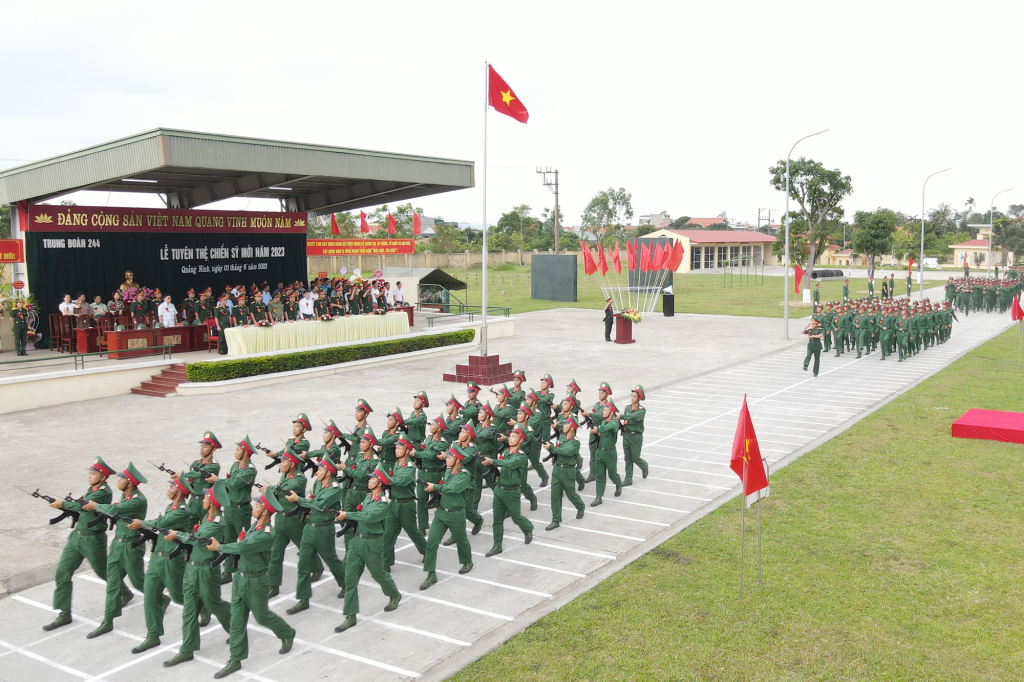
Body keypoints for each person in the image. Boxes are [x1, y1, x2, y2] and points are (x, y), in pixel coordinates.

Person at [208, 489, 295, 679]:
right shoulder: (254, 526)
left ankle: (286, 632)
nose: (253, 507)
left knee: (262, 617)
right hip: (241, 578)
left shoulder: (266, 534)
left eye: (256, 506)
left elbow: (243, 547)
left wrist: (220, 547)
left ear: (265, 511)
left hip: (256, 581)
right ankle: (235, 658)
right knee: (237, 620)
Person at [162, 479, 233, 668]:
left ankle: (235, 629)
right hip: (192, 568)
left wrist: (177, 534)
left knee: (213, 603)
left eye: (205, 497)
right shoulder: (207, 518)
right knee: (189, 609)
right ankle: (187, 649)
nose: (202, 499)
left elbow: (198, 539)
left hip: (206, 570)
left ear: (212, 502)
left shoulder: (216, 523)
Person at [42, 457, 115, 632]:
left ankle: (125, 592)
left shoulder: (103, 492)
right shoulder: (92, 489)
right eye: (89, 473)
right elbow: (78, 505)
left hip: (93, 539)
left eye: (93, 474)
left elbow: (82, 507)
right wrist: (63, 506)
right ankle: (64, 612)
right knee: (62, 573)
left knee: (105, 573)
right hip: (77, 537)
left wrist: (63, 503)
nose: (89, 476)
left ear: (103, 477)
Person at [81, 462, 149, 639]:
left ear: (130, 482)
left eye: (121, 479)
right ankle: (107, 621)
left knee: (138, 581)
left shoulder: (137, 500)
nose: (118, 482)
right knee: (112, 584)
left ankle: (161, 599)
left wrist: (95, 506)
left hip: (131, 545)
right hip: (118, 545)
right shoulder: (125, 497)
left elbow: (114, 509)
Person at [127, 477, 193, 653]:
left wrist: (142, 523)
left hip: (173, 560)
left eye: (171, 487)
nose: (168, 489)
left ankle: (206, 607)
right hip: (158, 558)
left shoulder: (182, 511)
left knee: (181, 597)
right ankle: (153, 635)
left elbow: (161, 524)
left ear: (179, 492)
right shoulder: (170, 507)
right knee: (150, 595)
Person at [334, 466, 402, 633]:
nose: (369, 480)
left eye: (372, 479)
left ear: (380, 484)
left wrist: (347, 515)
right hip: (357, 541)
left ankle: (394, 594)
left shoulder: (383, 503)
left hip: (373, 543)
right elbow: (360, 516)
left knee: (378, 574)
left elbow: (369, 517)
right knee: (350, 579)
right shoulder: (368, 498)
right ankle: (350, 615)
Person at [284, 457, 347, 614]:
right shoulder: (318, 483)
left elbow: (318, 504)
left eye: (320, 469)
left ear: (328, 473)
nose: (317, 471)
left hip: (324, 529)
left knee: (331, 560)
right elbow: (313, 500)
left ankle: (347, 584)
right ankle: (303, 599)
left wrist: (297, 499)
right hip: (309, 528)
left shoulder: (334, 488)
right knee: (303, 565)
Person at [262, 447, 317, 599]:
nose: (279, 464)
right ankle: (273, 585)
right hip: (281, 519)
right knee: (276, 554)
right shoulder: (285, 476)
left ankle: (317, 567)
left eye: (283, 462)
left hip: (294, 520)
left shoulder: (299, 478)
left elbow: (288, 489)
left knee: (304, 548)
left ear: (292, 464)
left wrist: (270, 489)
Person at [420, 446, 474, 590]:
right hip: (442, 513)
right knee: (431, 542)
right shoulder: (448, 471)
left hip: (456, 514)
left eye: (449, 458)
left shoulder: (464, 475)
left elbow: (452, 489)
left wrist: (435, 487)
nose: (446, 459)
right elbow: (444, 488)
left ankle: (467, 561)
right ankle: (431, 573)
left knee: (461, 540)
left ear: (457, 460)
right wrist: (433, 489)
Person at [482, 426, 534, 555]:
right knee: (497, 519)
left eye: (514, 437)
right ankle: (497, 545)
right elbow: (502, 467)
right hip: (500, 490)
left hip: (512, 492)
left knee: (516, 518)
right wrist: (497, 473)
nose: (510, 439)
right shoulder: (505, 453)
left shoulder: (521, 457)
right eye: (510, 436)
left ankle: (528, 528)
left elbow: (510, 464)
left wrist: (492, 461)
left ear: (520, 440)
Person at [213, 436, 257, 581]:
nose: (235, 452)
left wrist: (218, 480)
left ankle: (252, 566)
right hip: (230, 508)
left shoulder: (250, 470)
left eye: (237, 450)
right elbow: (228, 483)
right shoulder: (234, 466)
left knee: (245, 540)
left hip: (241, 510)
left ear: (245, 453)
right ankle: (228, 571)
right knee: (228, 540)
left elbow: (235, 483)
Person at [382, 438, 427, 571]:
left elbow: (400, 481)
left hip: (406, 505)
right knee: (388, 534)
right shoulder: (396, 464)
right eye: (396, 448)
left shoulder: (410, 467)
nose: (396, 450)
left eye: (400, 448)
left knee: (413, 532)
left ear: (407, 451)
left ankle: (427, 551)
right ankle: (386, 563)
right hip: (394, 504)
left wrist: (384, 479)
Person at [543, 416, 586, 531]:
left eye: (566, 424)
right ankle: (555, 520)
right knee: (555, 495)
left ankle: (580, 506)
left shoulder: (575, 442)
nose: (564, 426)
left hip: (568, 470)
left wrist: (552, 448)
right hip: (557, 469)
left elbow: (566, 452)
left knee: (571, 494)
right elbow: (558, 450)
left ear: (572, 427)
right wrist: (550, 449)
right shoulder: (561, 437)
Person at [591, 400, 623, 507]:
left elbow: (610, 428)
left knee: (612, 474)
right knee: (600, 475)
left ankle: (618, 484)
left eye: (605, 410)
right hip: (600, 451)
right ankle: (598, 496)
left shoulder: (614, 422)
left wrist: (598, 429)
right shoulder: (603, 422)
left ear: (611, 412)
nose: (603, 412)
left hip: (610, 453)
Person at [621, 385, 649, 485]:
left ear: (639, 398)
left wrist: (622, 416)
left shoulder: (641, 410)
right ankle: (628, 478)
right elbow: (626, 420)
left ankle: (644, 466)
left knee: (635, 457)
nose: (632, 398)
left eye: (634, 396)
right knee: (627, 457)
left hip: (636, 436)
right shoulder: (627, 408)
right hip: (627, 435)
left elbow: (633, 417)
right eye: (631, 396)